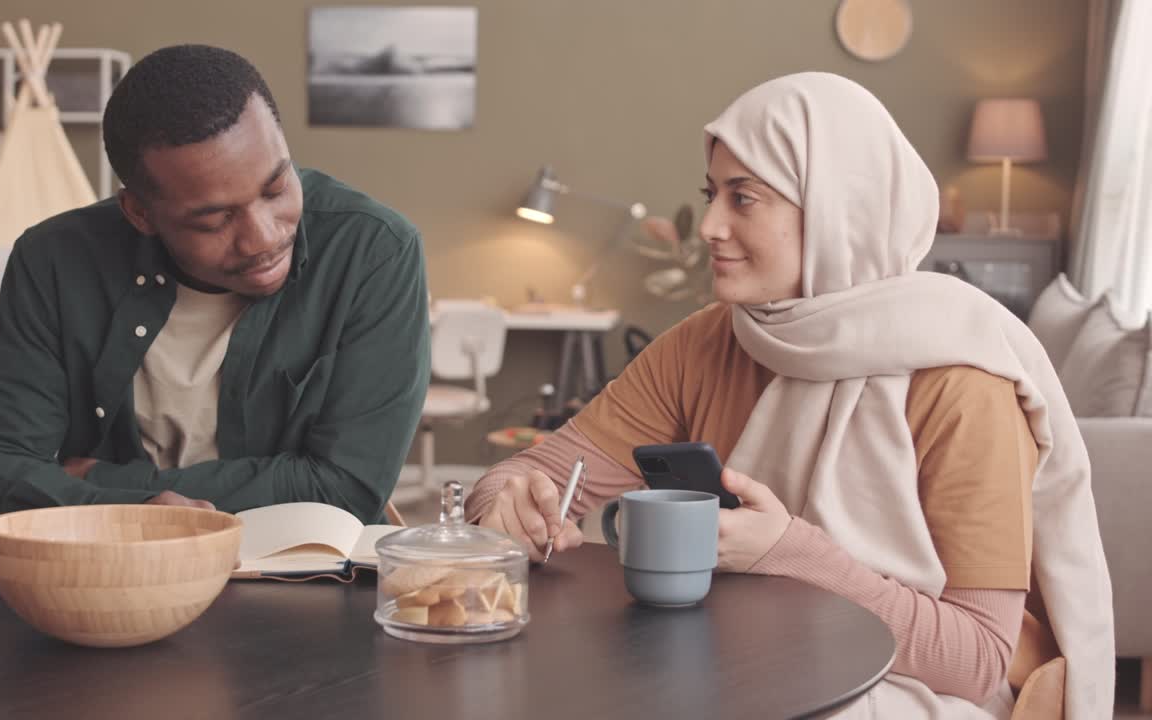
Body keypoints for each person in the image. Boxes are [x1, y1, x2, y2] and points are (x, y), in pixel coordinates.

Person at [466, 73, 1113, 718]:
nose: (711, 226)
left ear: (838, 209)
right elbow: (539, 473)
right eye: (710, 194)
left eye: (743, 199)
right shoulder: (708, 341)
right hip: (742, 662)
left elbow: (975, 663)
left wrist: (796, 557)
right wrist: (507, 499)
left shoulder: (964, 381)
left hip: (916, 690)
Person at [0, 45, 429, 530]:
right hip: (111, 583)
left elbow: (347, 487)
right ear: (140, 213)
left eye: (276, 188)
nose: (264, 237)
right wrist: (135, 515)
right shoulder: (53, 261)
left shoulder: (374, 250)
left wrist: (113, 491)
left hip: (309, 580)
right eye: (215, 218)